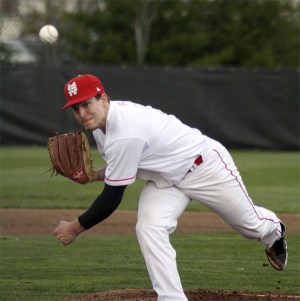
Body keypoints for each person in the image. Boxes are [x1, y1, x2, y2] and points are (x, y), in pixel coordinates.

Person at [54, 74, 288, 301]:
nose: (82, 113)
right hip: (165, 181)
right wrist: (94, 175)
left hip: (205, 168)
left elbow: (111, 198)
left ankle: (274, 231)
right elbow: (125, 165)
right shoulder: (102, 127)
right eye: (76, 108)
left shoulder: (125, 133)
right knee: (149, 227)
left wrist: (74, 228)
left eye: (86, 104)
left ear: (103, 98)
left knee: (250, 226)